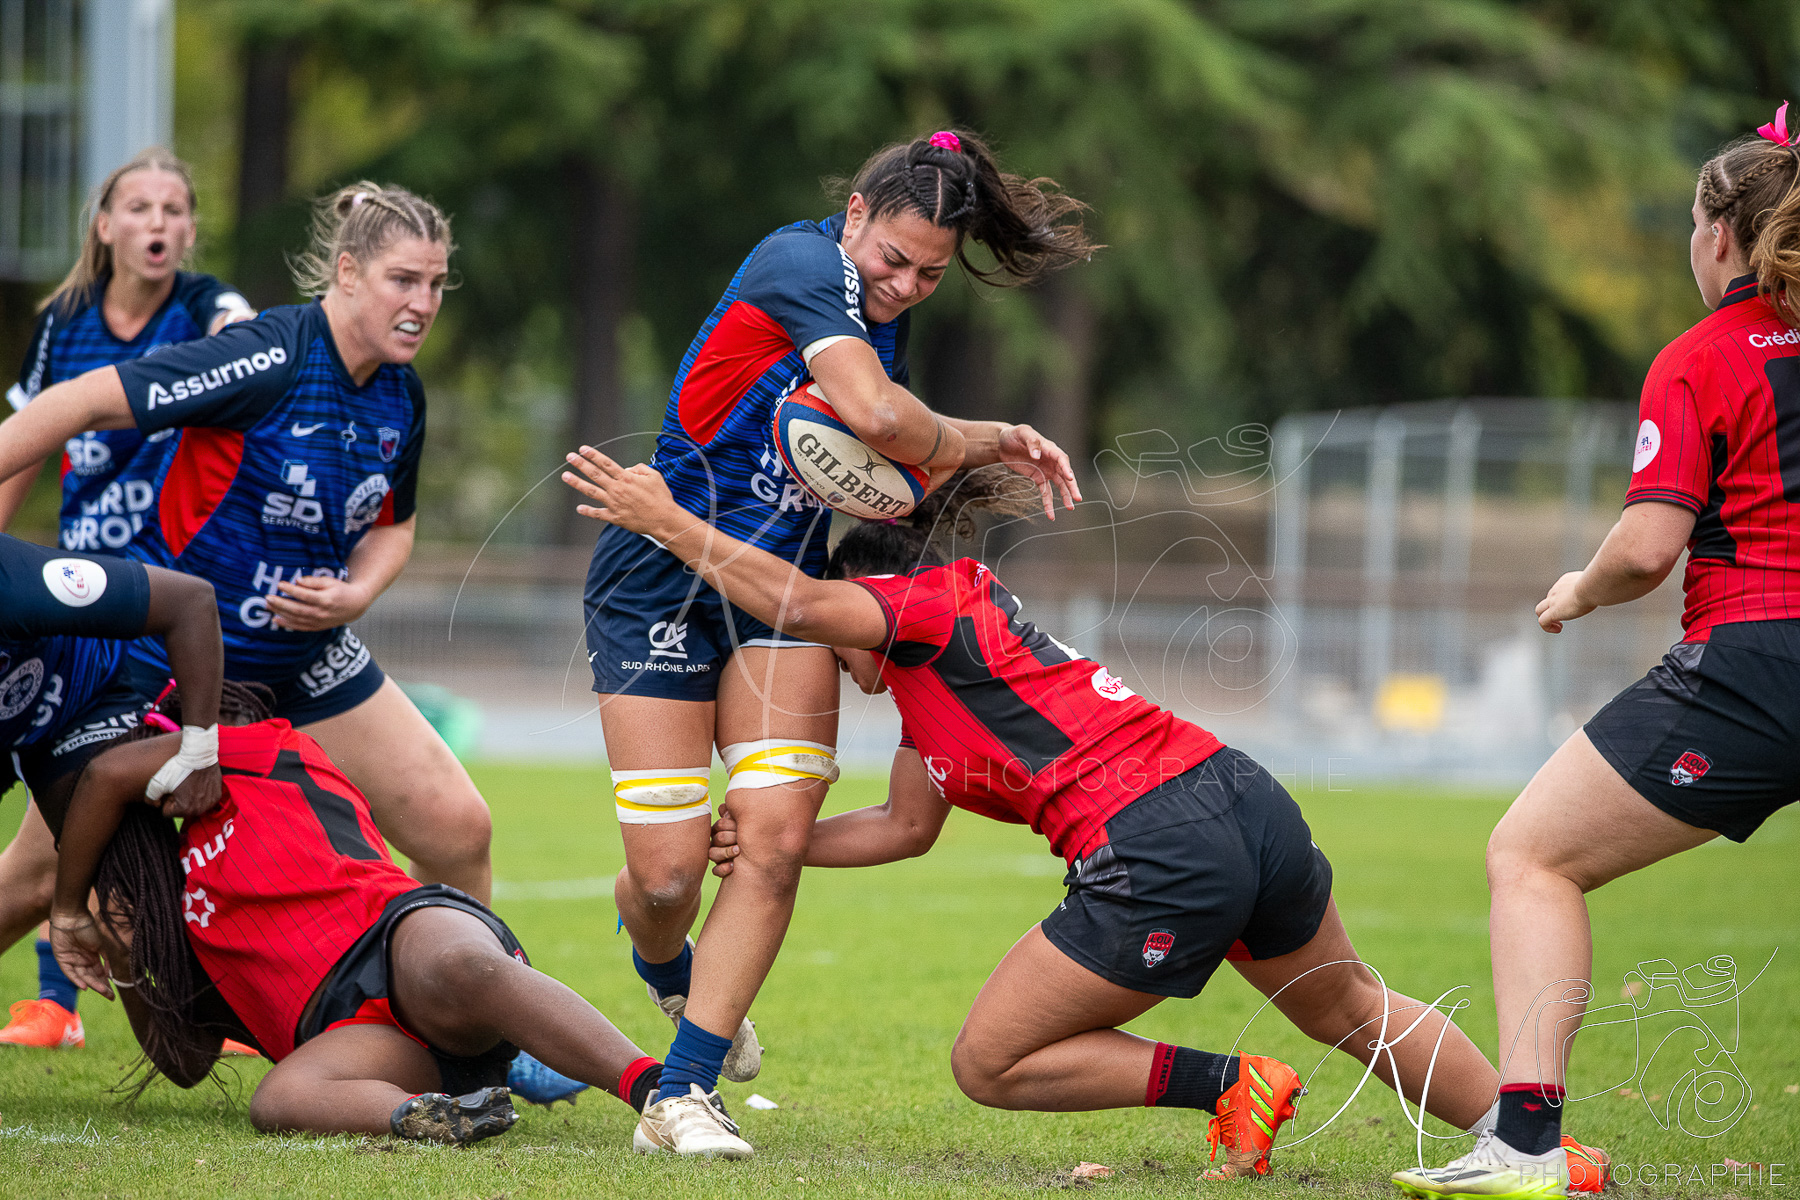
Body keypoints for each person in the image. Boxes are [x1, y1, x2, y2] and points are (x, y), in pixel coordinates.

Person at [560, 449, 1618, 1181]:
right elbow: (900, 828)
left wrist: (669, 523)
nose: (835, 670)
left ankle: (1233, 1084)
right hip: (1240, 800)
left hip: (1159, 840)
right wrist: (771, 838)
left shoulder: (936, 599)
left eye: (843, 649)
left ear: (868, 597)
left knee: (991, 1063)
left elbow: (795, 602)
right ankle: (1535, 1148)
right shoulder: (941, 693)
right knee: (1346, 1005)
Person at [582, 128, 1090, 1150]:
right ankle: (665, 966)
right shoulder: (802, 264)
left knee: (770, 844)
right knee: (671, 877)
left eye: (931, 273)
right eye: (893, 258)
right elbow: (878, 420)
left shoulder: (875, 318)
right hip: (656, 581)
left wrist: (873, 586)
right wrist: (988, 435)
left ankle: (682, 1095)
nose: (905, 284)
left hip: (783, 601)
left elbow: (879, 452)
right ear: (854, 214)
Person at [1390, 105, 1800, 1199]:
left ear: (1721, 234)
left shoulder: (1702, 356)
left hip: (1761, 661)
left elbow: (1647, 548)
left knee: (1532, 856)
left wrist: (1577, 587)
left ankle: (1525, 1148)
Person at [0, 182, 493, 920]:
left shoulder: (401, 396)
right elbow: (76, 403)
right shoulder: (268, 356)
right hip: (167, 661)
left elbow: (394, 526)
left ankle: (457, 1024)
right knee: (39, 882)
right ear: (350, 273)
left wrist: (358, 593)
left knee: (458, 829)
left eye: (435, 283)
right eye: (403, 280)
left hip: (304, 660)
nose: (422, 302)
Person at [46, 682, 668, 1145]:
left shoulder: (270, 750)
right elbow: (184, 1063)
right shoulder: (172, 898)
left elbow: (104, 773)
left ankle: (661, 1091)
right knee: (280, 1099)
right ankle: (419, 1115)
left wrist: (68, 906)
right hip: (350, 1038)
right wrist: (122, 949)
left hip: (392, 936)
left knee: (460, 965)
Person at [0, 146, 253, 1052]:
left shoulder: (208, 310)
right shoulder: (63, 321)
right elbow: (23, 447)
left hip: (171, 589)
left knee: (100, 799)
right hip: (79, 590)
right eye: (139, 207)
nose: (159, 223)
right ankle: (57, 1000)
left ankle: (191, 992)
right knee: (63, 793)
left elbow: (251, 340)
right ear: (103, 226)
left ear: (189, 231)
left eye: (175, 209)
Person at [1, 531, 224, 1010]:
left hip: (77, 705)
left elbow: (190, 599)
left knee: (125, 921)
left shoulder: (14, 580)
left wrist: (200, 752)